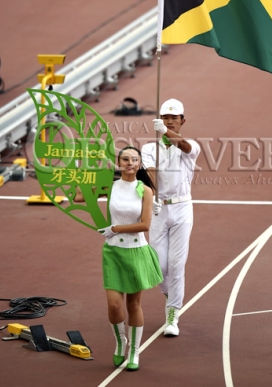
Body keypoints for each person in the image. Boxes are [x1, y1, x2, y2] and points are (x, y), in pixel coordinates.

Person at [99, 146, 163, 371]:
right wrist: (81, 173)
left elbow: (145, 225)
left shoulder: (145, 191)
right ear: (119, 162)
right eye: (125, 159)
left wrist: (115, 228)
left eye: (134, 160)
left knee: (133, 304)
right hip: (113, 252)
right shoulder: (110, 185)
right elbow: (78, 196)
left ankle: (134, 350)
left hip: (136, 250)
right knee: (114, 304)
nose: (129, 163)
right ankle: (120, 342)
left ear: (139, 164)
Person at [141, 99, 200, 337]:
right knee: (159, 266)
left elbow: (184, 146)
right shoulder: (148, 149)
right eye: (165, 117)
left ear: (182, 121)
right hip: (158, 210)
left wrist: (166, 133)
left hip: (182, 208)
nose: (169, 121)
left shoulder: (191, 146)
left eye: (173, 118)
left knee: (177, 264)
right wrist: (153, 196)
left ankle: (172, 314)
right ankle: (171, 294)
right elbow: (151, 172)